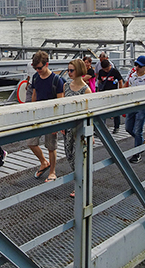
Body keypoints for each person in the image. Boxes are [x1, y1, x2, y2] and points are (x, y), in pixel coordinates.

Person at [28, 50, 64, 183]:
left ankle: (52, 172)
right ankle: (44, 162)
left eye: (39, 68)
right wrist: (32, 111)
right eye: (35, 68)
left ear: (47, 64)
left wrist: (57, 122)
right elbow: (34, 95)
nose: (37, 70)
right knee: (31, 142)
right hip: (38, 115)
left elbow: (60, 102)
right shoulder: (36, 77)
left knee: (51, 146)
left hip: (51, 116)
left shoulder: (56, 80)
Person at [63, 59, 92, 196]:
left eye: (71, 70)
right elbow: (63, 106)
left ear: (79, 70)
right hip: (68, 126)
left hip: (80, 128)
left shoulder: (86, 90)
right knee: (69, 154)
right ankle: (80, 179)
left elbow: (89, 113)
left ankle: (81, 183)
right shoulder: (66, 86)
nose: (69, 73)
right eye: (68, 70)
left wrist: (90, 132)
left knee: (79, 156)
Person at [124, 56, 145, 164]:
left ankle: (137, 153)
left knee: (138, 130)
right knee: (128, 128)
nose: (137, 67)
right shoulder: (132, 76)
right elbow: (128, 89)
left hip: (142, 106)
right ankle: (141, 142)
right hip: (132, 105)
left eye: (139, 66)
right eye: (136, 65)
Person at [97, 58, 124, 133]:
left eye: (107, 69)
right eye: (105, 69)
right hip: (104, 93)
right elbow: (99, 81)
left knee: (115, 111)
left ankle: (116, 126)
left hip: (113, 93)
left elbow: (120, 81)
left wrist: (120, 91)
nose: (106, 71)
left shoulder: (114, 71)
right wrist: (98, 91)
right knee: (103, 111)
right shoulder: (101, 72)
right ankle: (102, 128)